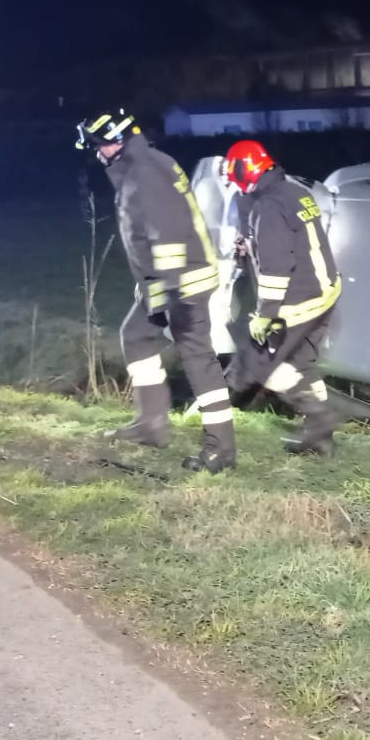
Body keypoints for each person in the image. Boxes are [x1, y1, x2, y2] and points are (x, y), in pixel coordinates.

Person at [77, 110, 237, 473]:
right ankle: (151, 424)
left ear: (116, 142)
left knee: (197, 357)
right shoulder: (143, 166)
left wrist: (167, 290)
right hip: (166, 283)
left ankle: (221, 448)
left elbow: (167, 235)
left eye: (99, 146)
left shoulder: (144, 173)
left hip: (182, 283)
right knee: (135, 336)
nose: (98, 154)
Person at [222, 140, 343, 454]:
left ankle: (320, 419)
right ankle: (321, 441)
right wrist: (251, 246)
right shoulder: (293, 192)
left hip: (298, 300)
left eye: (234, 176)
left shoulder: (268, 206)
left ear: (244, 171)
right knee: (303, 363)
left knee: (262, 365)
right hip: (325, 292)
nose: (233, 184)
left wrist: (266, 314)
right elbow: (290, 242)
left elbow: (277, 267)